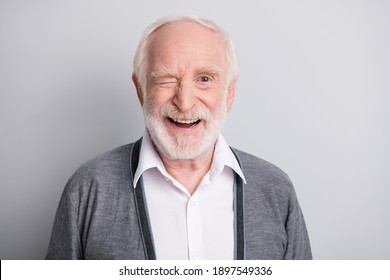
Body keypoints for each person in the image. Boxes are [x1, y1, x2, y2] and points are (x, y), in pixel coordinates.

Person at [45, 15, 312, 260]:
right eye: (166, 80)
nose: (184, 102)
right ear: (141, 91)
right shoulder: (89, 188)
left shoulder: (275, 190)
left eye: (205, 79)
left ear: (228, 94)